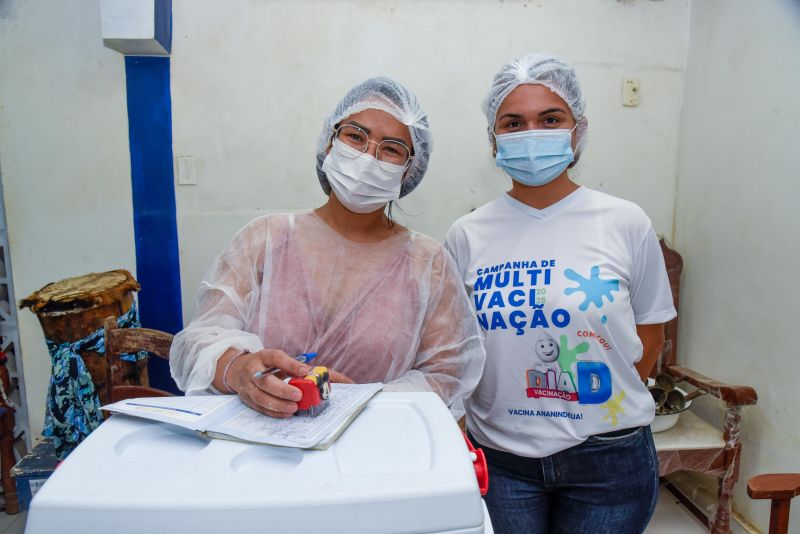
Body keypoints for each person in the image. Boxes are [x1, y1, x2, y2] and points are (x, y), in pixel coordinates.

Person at [444, 54, 676, 533]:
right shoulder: (467, 235)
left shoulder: (626, 222)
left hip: (608, 459)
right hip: (501, 459)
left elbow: (650, 336)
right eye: (513, 122)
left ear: (577, 130)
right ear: (494, 141)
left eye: (550, 119)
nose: (532, 133)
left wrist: (594, 412)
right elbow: (457, 348)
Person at [170, 77, 485, 420]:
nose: (368, 157)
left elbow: (446, 374)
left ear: (409, 170)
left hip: (371, 451)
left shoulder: (428, 263)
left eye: (391, 148)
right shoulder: (265, 239)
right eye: (355, 137)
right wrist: (239, 368)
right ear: (330, 142)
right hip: (257, 449)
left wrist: (364, 401)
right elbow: (197, 342)